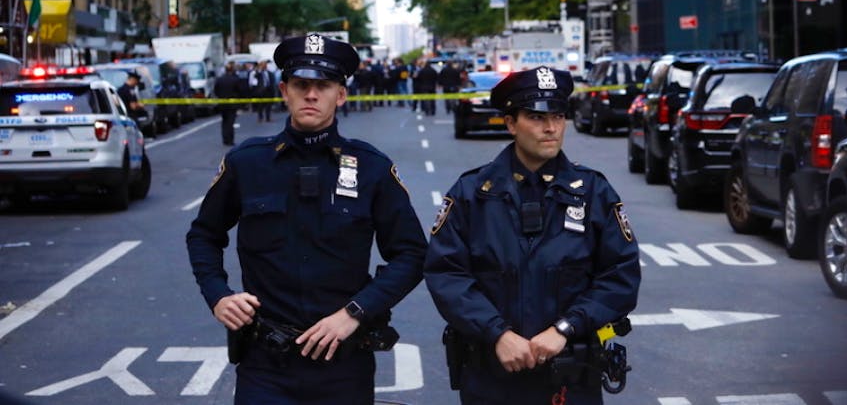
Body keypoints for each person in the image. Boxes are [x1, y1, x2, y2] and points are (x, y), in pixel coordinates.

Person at [186, 34, 428, 404]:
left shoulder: (372, 168)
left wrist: (355, 313)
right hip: (265, 365)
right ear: (285, 91)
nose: (311, 95)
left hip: (343, 363)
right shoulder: (247, 163)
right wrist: (218, 295)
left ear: (341, 95)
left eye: (323, 86)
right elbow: (204, 234)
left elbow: (412, 254)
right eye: (301, 85)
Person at [424, 66, 641, 405]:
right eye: (537, 117)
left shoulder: (594, 192)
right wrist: (496, 333)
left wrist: (565, 328)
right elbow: (446, 274)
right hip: (491, 380)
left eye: (558, 116)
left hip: (571, 382)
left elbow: (621, 277)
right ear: (511, 124)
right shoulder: (471, 194)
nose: (551, 127)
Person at [213, 62, 242, 146]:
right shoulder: (235, 79)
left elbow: (216, 90)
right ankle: (230, 140)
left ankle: (225, 139)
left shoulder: (220, 79)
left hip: (222, 103)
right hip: (232, 104)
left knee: (224, 121)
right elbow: (239, 91)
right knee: (230, 122)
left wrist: (220, 97)